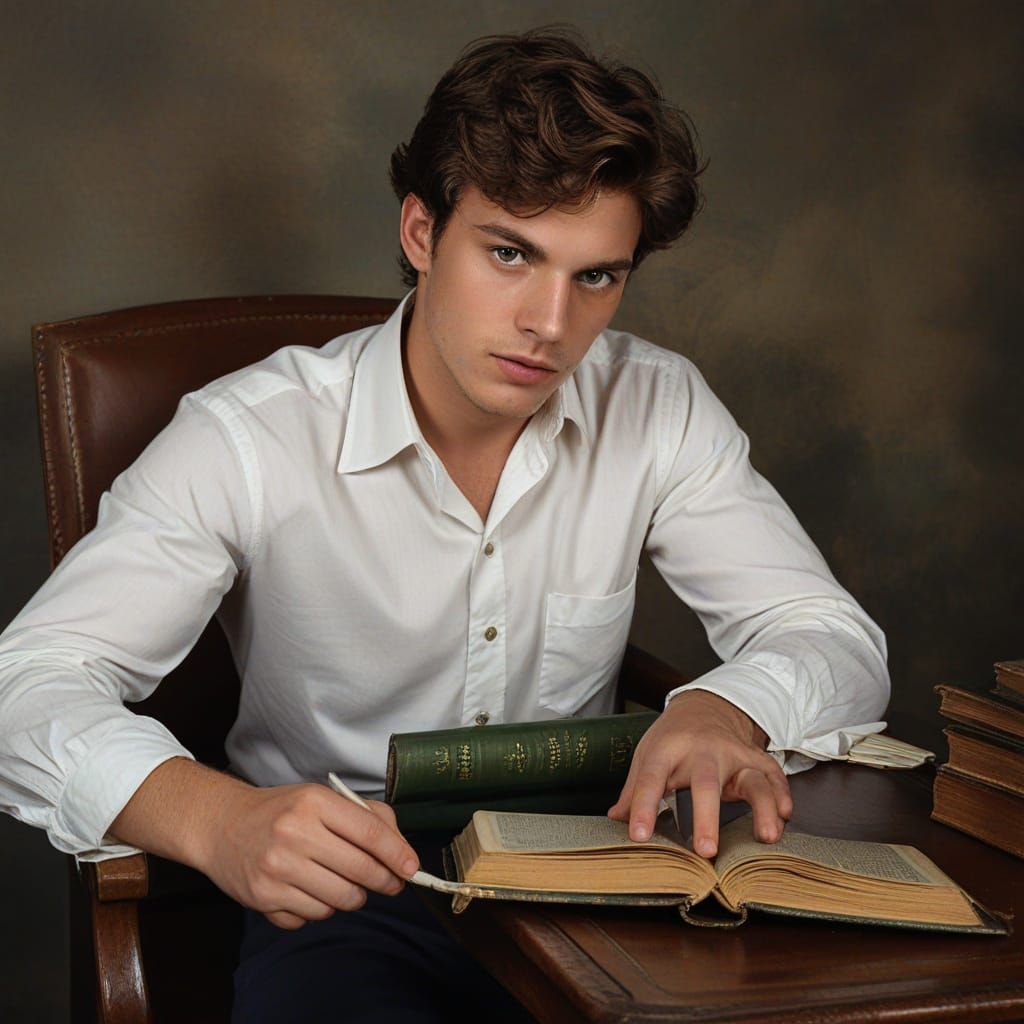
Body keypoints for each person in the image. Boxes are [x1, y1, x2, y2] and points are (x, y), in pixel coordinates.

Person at [0, 27, 888, 1023]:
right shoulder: (248, 436)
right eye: (510, 254)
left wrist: (721, 712)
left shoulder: (659, 405)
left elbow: (832, 637)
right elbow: (26, 685)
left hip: (597, 872)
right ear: (422, 233)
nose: (551, 323)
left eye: (595, 274)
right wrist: (217, 819)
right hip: (346, 891)